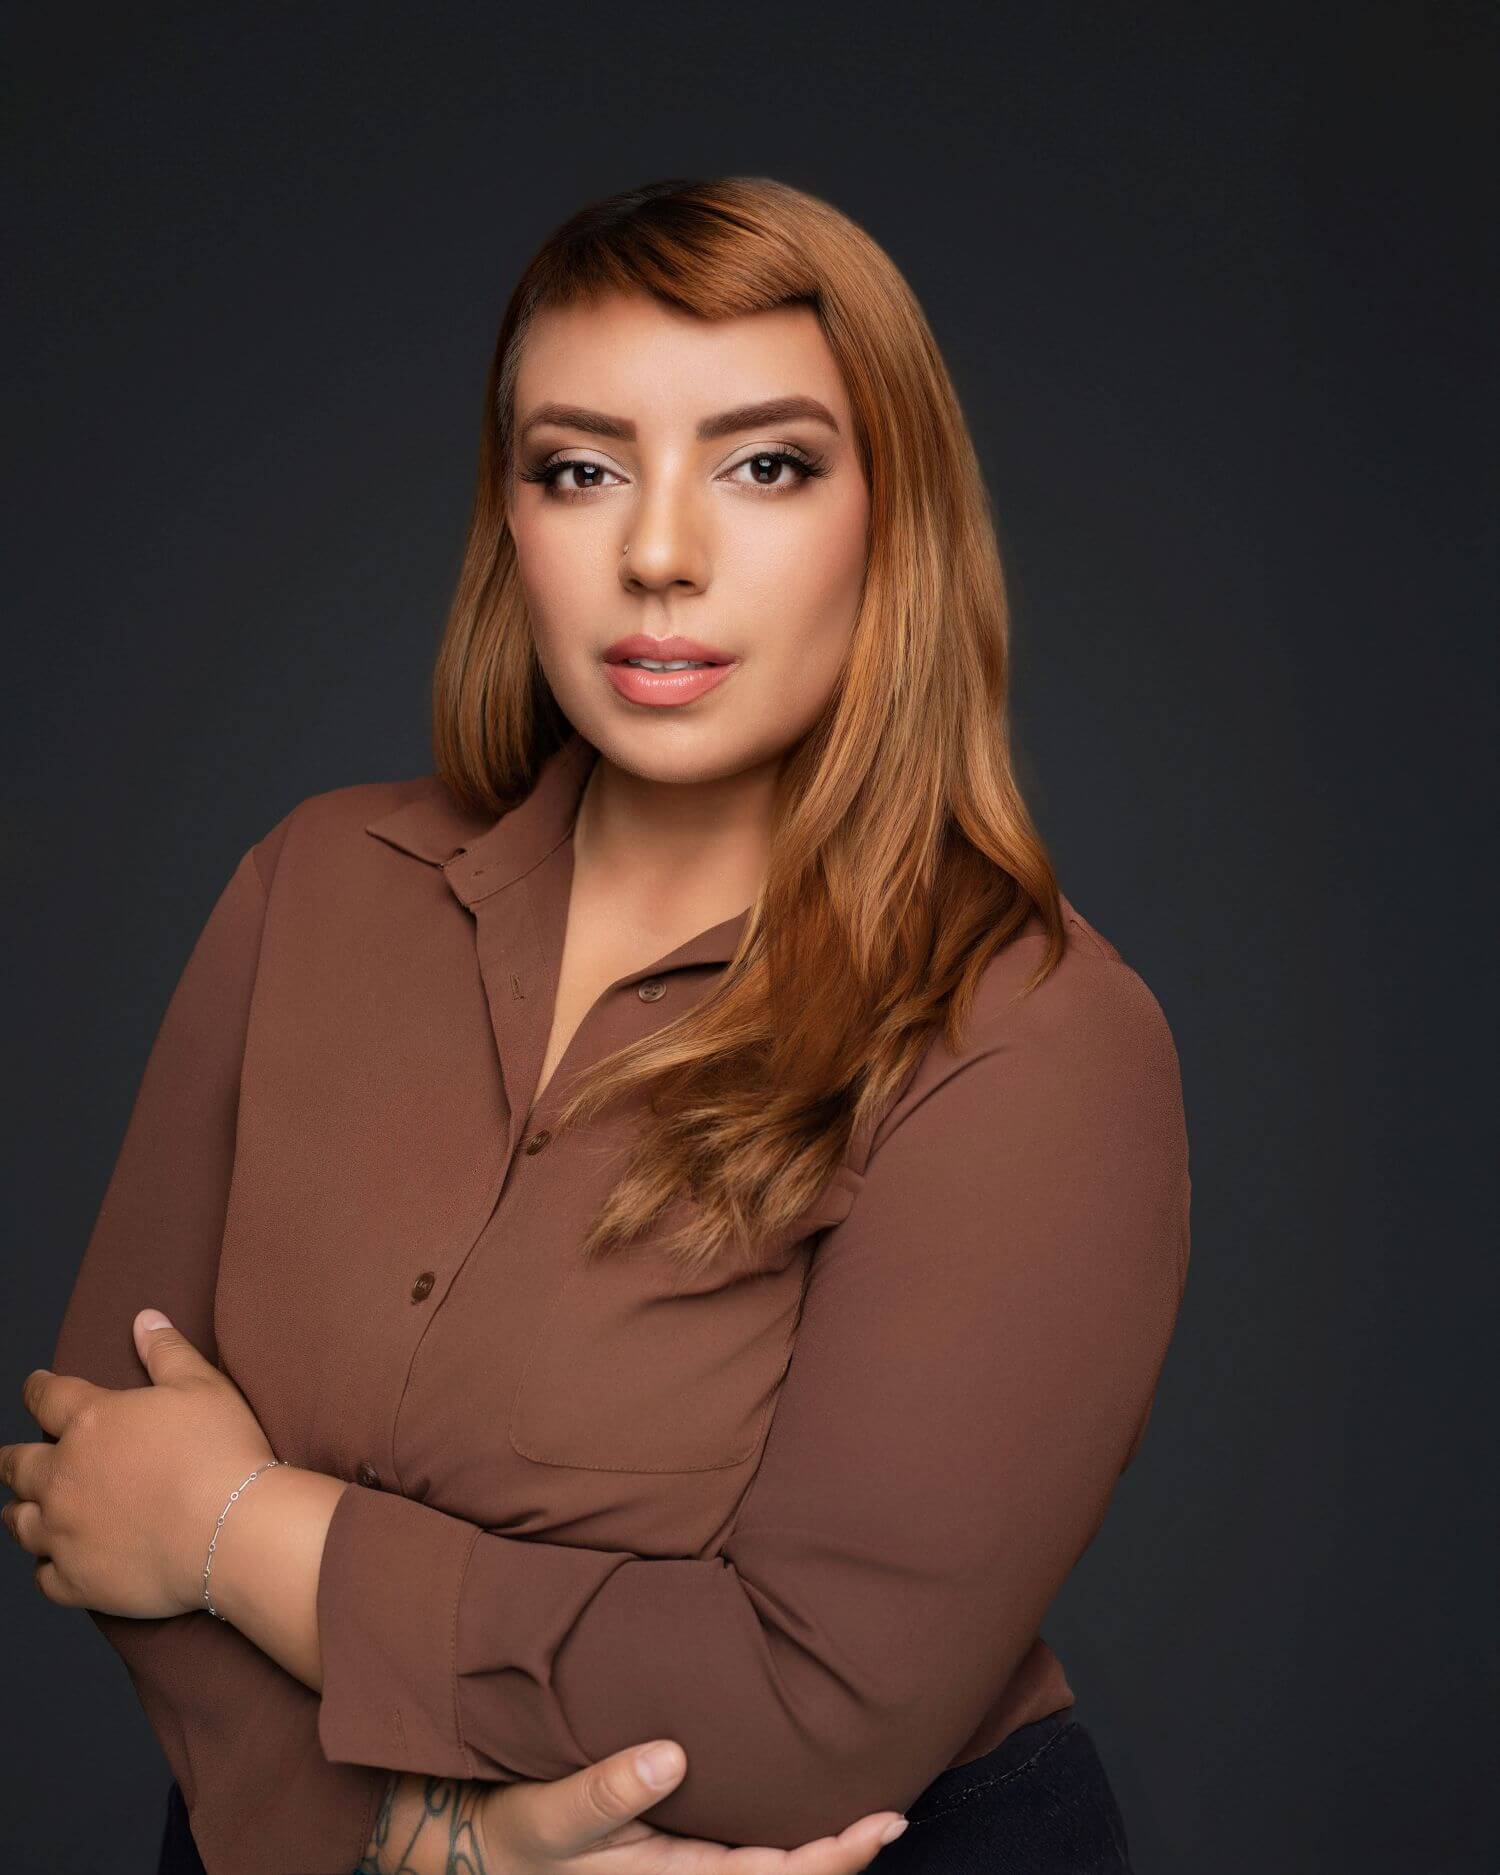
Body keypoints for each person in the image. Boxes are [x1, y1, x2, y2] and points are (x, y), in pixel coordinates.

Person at [5, 176, 1189, 1875]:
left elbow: (810, 1714)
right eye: (584, 467)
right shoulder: (316, 885)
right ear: (512, 516)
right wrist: (416, 1844)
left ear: (897, 515)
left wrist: (240, 1534)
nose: (658, 551)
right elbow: (100, 1477)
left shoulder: (1037, 1034)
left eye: (765, 464)